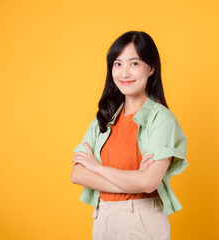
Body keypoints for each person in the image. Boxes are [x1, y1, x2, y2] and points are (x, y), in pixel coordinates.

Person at [71, 31, 188, 240]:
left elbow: (148, 183)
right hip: (102, 217)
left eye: (134, 63)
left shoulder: (161, 119)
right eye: (118, 64)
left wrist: (97, 168)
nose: (124, 73)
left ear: (150, 68)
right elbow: (78, 174)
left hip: (141, 219)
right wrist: (134, 179)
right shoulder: (104, 117)